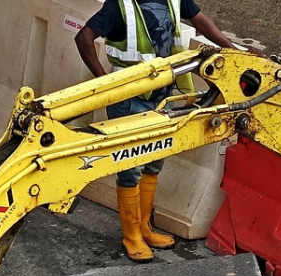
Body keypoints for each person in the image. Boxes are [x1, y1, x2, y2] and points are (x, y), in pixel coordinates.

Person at [74, 1, 242, 262]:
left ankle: (144, 229)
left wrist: (233, 51)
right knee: (130, 167)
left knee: (153, 162)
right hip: (129, 100)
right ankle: (132, 236)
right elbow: (84, 37)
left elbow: (199, 21)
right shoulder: (121, 6)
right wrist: (104, 84)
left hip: (162, 96)